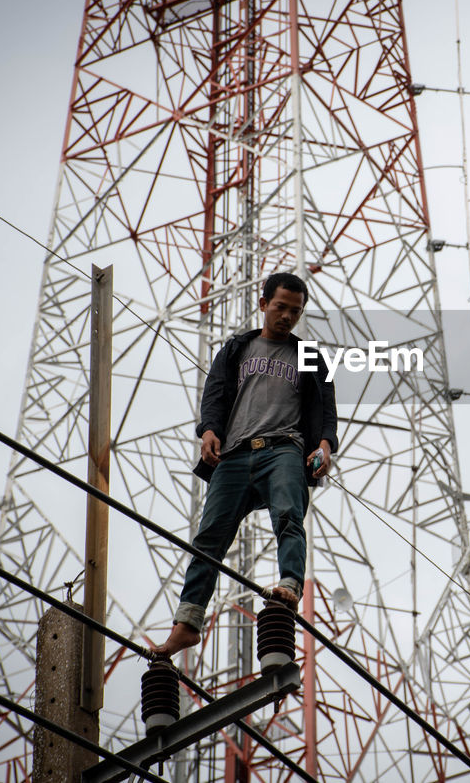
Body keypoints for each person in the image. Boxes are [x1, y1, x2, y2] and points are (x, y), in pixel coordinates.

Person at [154, 271, 337, 656]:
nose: (287, 316)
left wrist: (324, 443)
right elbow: (215, 393)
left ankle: (289, 584)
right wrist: (208, 431)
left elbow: (326, 407)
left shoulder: (309, 357)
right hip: (234, 455)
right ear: (263, 304)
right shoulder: (237, 348)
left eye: (295, 311)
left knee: (289, 513)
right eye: (281, 307)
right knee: (209, 538)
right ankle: (187, 622)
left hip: (284, 448)